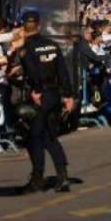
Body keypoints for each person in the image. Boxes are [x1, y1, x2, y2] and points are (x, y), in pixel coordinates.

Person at [19, 10, 74, 193]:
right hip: (54, 94)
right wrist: (68, 95)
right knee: (50, 137)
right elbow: (63, 71)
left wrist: (35, 91)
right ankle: (62, 175)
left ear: (23, 27)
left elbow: (32, 71)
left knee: (34, 138)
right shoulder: (52, 45)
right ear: (39, 25)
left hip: (40, 96)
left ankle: (37, 178)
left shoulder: (26, 48)